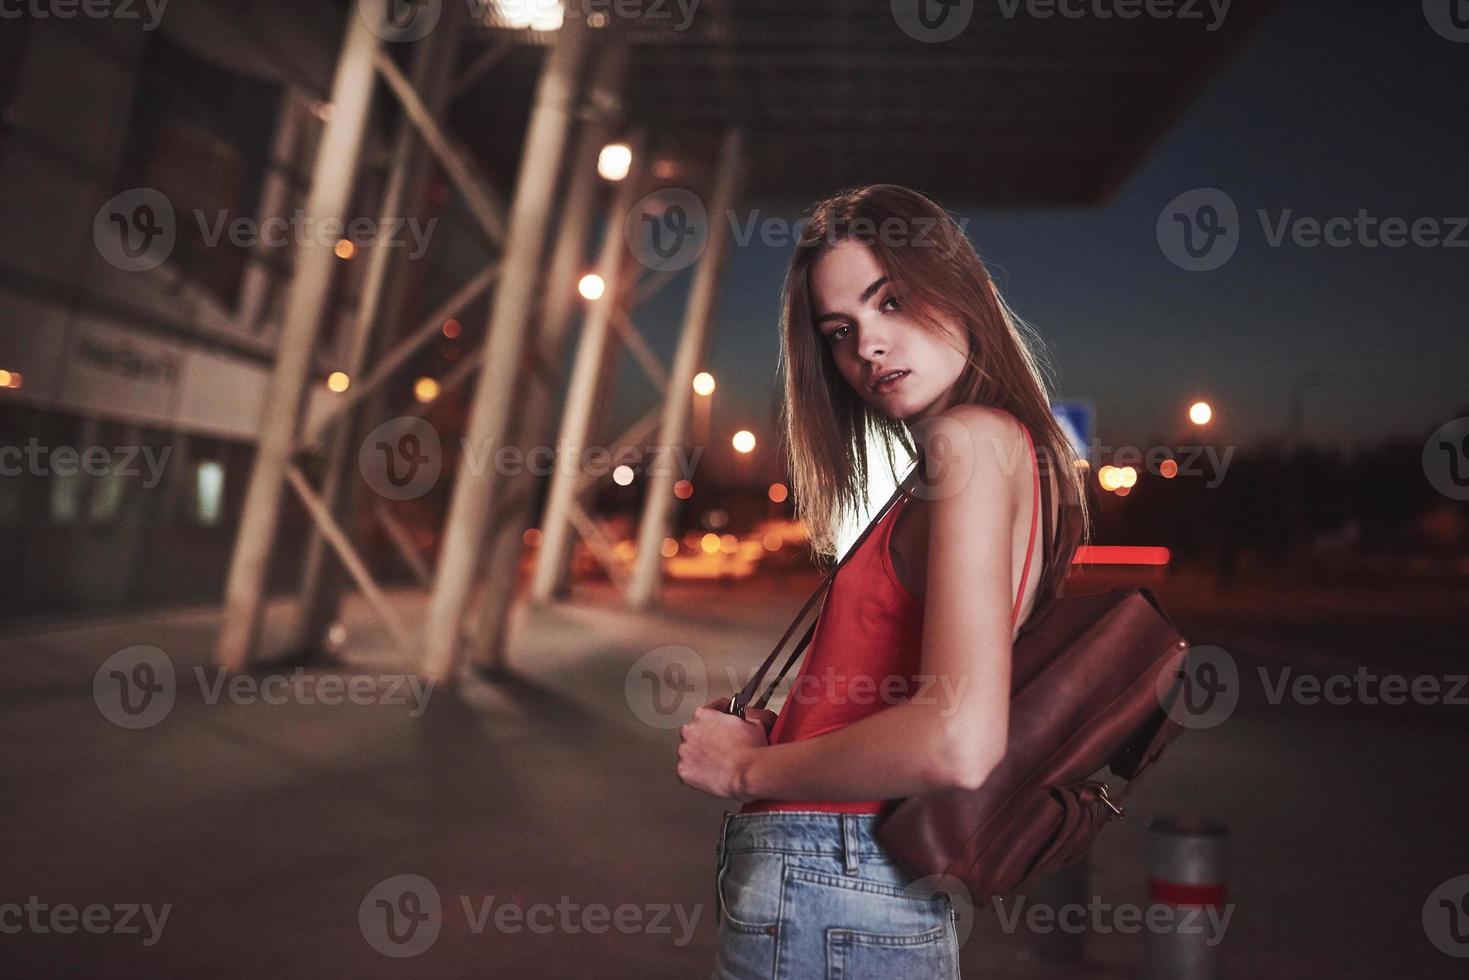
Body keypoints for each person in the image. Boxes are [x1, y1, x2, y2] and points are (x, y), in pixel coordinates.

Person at [675, 184, 1090, 979]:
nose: (868, 346)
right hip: (857, 882)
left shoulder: (970, 443)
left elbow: (957, 739)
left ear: (961, 288)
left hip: (833, 874)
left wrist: (745, 770)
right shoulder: (999, 453)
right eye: (841, 330)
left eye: (891, 300)